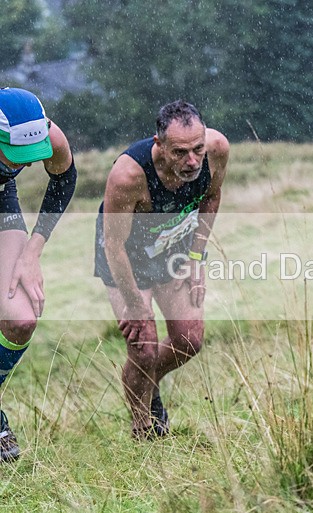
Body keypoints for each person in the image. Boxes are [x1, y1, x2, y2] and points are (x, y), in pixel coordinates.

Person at [94, 100, 228, 438]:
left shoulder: (217, 149)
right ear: (160, 146)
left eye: (197, 149)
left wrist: (197, 259)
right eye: (180, 152)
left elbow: (211, 198)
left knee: (189, 339)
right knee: (144, 346)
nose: (192, 161)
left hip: (173, 245)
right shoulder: (128, 176)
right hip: (126, 254)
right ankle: (145, 429)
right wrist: (135, 306)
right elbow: (114, 246)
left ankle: (146, 382)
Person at [0, 88, 78, 460]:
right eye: (16, 155)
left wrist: (32, 252)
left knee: (21, 319)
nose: (27, 164)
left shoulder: (50, 134)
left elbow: (63, 179)